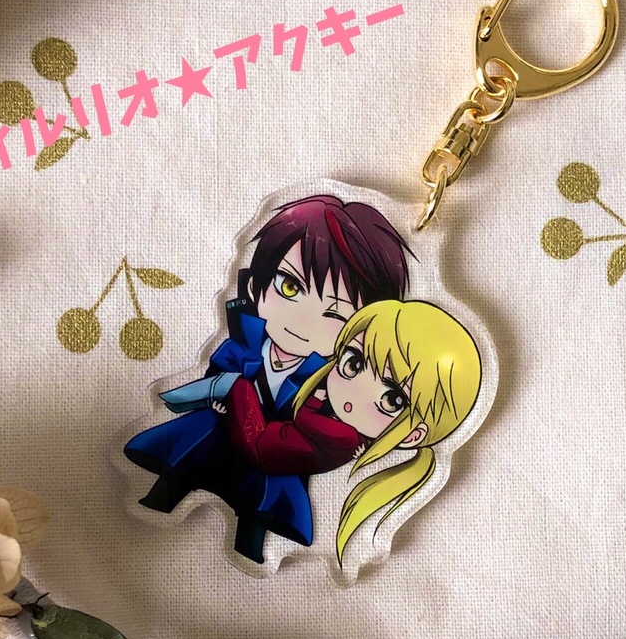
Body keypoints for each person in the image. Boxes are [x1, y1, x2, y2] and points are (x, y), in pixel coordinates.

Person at [124, 194, 412, 562]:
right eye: (290, 287)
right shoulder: (247, 342)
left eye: (335, 315)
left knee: (260, 507)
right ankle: (159, 500)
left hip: (274, 456)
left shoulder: (332, 381)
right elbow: (222, 365)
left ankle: (250, 550)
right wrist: (220, 392)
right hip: (221, 434)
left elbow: (329, 424)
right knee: (187, 457)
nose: (301, 319)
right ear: (256, 287)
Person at [221, 298, 483, 566]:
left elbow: (305, 420)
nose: (356, 391)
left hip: (261, 447)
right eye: (353, 363)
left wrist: (313, 402)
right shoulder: (350, 437)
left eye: (392, 399)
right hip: (271, 456)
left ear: (412, 435)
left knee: (237, 388)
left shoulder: (345, 436)